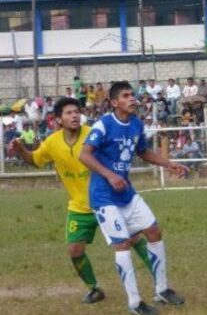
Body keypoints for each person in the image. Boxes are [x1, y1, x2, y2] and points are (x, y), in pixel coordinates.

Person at [6, 97, 155, 305]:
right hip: (79, 207)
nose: (75, 115)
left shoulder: (94, 134)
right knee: (74, 250)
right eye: (68, 113)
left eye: (77, 111)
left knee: (133, 239)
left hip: (106, 201)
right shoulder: (52, 142)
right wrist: (20, 149)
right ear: (58, 120)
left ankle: (160, 285)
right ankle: (94, 289)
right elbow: (35, 160)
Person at [78, 82, 188, 314]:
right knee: (122, 244)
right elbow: (84, 155)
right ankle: (135, 303)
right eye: (126, 96)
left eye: (133, 95)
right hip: (103, 196)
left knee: (154, 231)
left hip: (126, 193)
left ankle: (162, 289)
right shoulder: (104, 124)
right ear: (114, 102)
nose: (132, 99)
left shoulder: (137, 124)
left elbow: (143, 151)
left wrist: (169, 164)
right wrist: (109, 175)